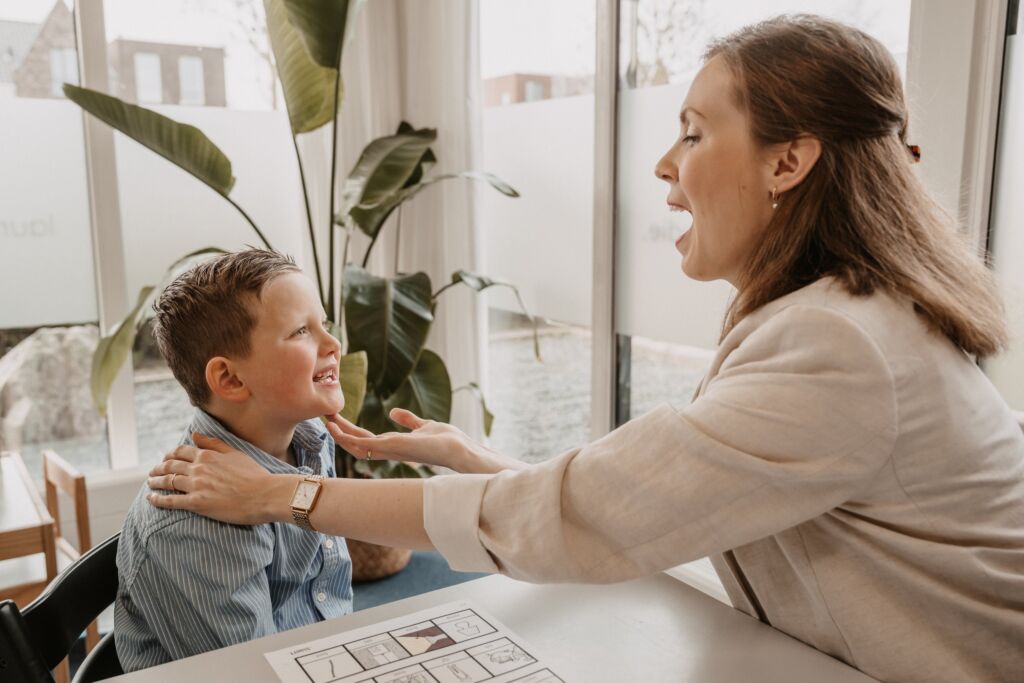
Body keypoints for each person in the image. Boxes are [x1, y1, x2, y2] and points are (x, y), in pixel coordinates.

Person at [145, 16, 1024, 683]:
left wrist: (285, 494)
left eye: (692, 130)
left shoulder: (838, 343)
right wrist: (474, 460)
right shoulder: (834, 318)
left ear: (787, 162)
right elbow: (662, 495)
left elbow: (604, 510)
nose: (663, 165)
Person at [115, 250, 354, 672]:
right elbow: (257, 674)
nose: (333, 345)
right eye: (302, 331)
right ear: (230, 379)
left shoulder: (312, 440)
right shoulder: (191, 522)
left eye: (325, 325)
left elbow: (329, 603)